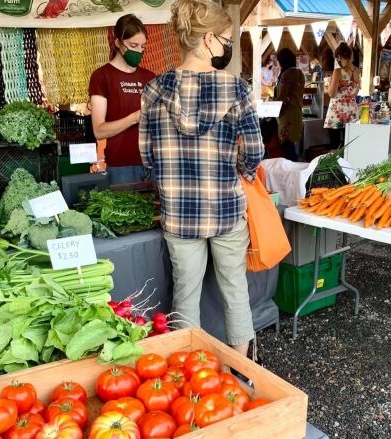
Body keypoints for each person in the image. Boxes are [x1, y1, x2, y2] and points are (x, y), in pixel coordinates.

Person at [139, 0, 264, 356]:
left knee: (185, 295)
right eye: (226, 40)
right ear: (209, 40)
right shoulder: (236, 89)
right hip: (225, 210)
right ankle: (241, 374)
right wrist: (240, 170)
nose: (226, 47)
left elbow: (146, 156)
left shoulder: (153, 91)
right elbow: (254, 152)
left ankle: (189, 376)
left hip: (178, 213)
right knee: (235, 290)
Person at [90, 14, 156, 185]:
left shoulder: (150, 77)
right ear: (118, 42)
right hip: (121, 167)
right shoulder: (101, 76)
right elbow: (99, 130)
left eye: (142, 47)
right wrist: (134, 118)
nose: (139, 51)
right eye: (133, 45)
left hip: (154, 163)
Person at [324, 43, 360, 149]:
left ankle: (337, 165)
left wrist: (329, 85)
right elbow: (356, 92)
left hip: (337, 112)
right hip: (352, 112)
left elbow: (332, 93)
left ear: (338, 57)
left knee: (335, 147)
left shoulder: (338, 71)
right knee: (348, 146)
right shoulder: (357, 71)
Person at [275, 48, 304, 162]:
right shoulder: (299, 72)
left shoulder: (286, 75)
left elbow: (282, 97)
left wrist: (275, 111)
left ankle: (288, 171)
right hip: (297, 112)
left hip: (287, 113)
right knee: (292, 144)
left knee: (287, 146)